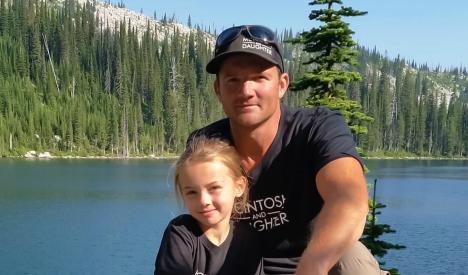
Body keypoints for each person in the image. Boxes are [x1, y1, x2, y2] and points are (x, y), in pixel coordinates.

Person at [189, 25, 386, 275]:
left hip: (315, 264)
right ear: (218, 90)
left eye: (259, 78)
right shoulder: (206, 145)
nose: (246, 91)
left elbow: (348, 200)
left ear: (282, 85)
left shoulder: (317, 128)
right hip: (243, 267)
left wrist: (313, 265)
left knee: (353, 260)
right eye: (233, 80)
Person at [154, 137, 263, 275]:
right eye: (192, 192)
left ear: (239, 186)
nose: (203, 201)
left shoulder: (248, 239)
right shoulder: (180, 234)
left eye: (214, 188)